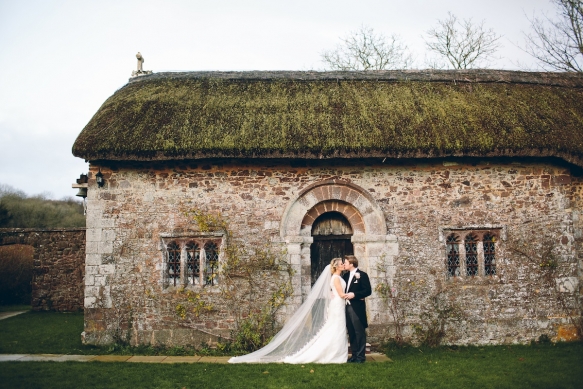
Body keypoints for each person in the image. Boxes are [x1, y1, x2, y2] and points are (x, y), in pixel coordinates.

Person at [229, 258, 348, 364]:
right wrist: (352, 294)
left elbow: (335, 292)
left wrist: (335, 294)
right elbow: (342, 294)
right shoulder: (336, 278)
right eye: (341, 263)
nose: (343, 265)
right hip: (338, 305)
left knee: (336, 328)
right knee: (336, 328)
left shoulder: (336, 278)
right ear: (336, 266)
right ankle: (334, 355)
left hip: (337, 304)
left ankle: (334, 353)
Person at [343, 255, 372, 363]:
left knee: (359, 332)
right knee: (351, 332)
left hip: (357, 308)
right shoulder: (345, 276)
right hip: (346, 307)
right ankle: (354, 356)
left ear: (351, 263)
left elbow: (368, 291)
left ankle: (360, 357)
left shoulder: (362, 275)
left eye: (345, 262)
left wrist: (354, 294)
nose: (344, 264)